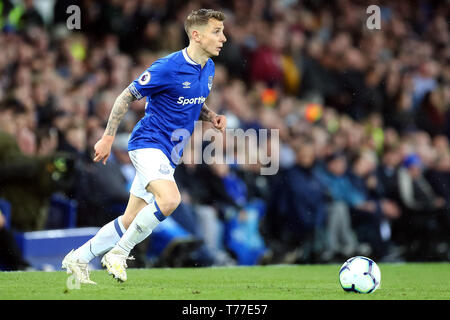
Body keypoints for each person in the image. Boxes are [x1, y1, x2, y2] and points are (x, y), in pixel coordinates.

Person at [62, 9, 227, 284]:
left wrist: (211, 117)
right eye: (216, 31)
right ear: (196, 35)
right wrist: (107, 137)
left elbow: (192, 103)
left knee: (130, 219)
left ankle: (78, 257)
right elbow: (125, 97)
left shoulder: (207, 68)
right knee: (170, 200)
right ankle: (119, 253)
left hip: (169, 153)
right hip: (149, 143)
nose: (223, 38)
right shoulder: (168, 67)